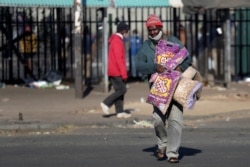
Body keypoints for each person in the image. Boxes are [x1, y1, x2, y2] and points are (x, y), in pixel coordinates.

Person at [136, 14, 192, 163]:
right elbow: (139, 65)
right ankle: (162, 144)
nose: (153, 32)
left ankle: (172, 153)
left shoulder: (173, 41)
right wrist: (154, 67)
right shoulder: (146, 46)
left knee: (175, 120)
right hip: (158, 90)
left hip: (176, 88)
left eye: (155, 29)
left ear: (160, 27)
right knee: (157, 120)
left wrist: (182, 66)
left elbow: (187, 57)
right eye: (150, 30)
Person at [100, 22, 131, 119]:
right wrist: (124, 73)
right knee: (122, 89)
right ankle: (106, 103)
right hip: (116, 71)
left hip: (113, 70)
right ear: (124, 31)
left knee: (119, 91)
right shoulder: (117, 41)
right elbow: (119, 59)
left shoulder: (115, 40)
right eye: (127, 30)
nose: (127, 33)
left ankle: (120, 111)